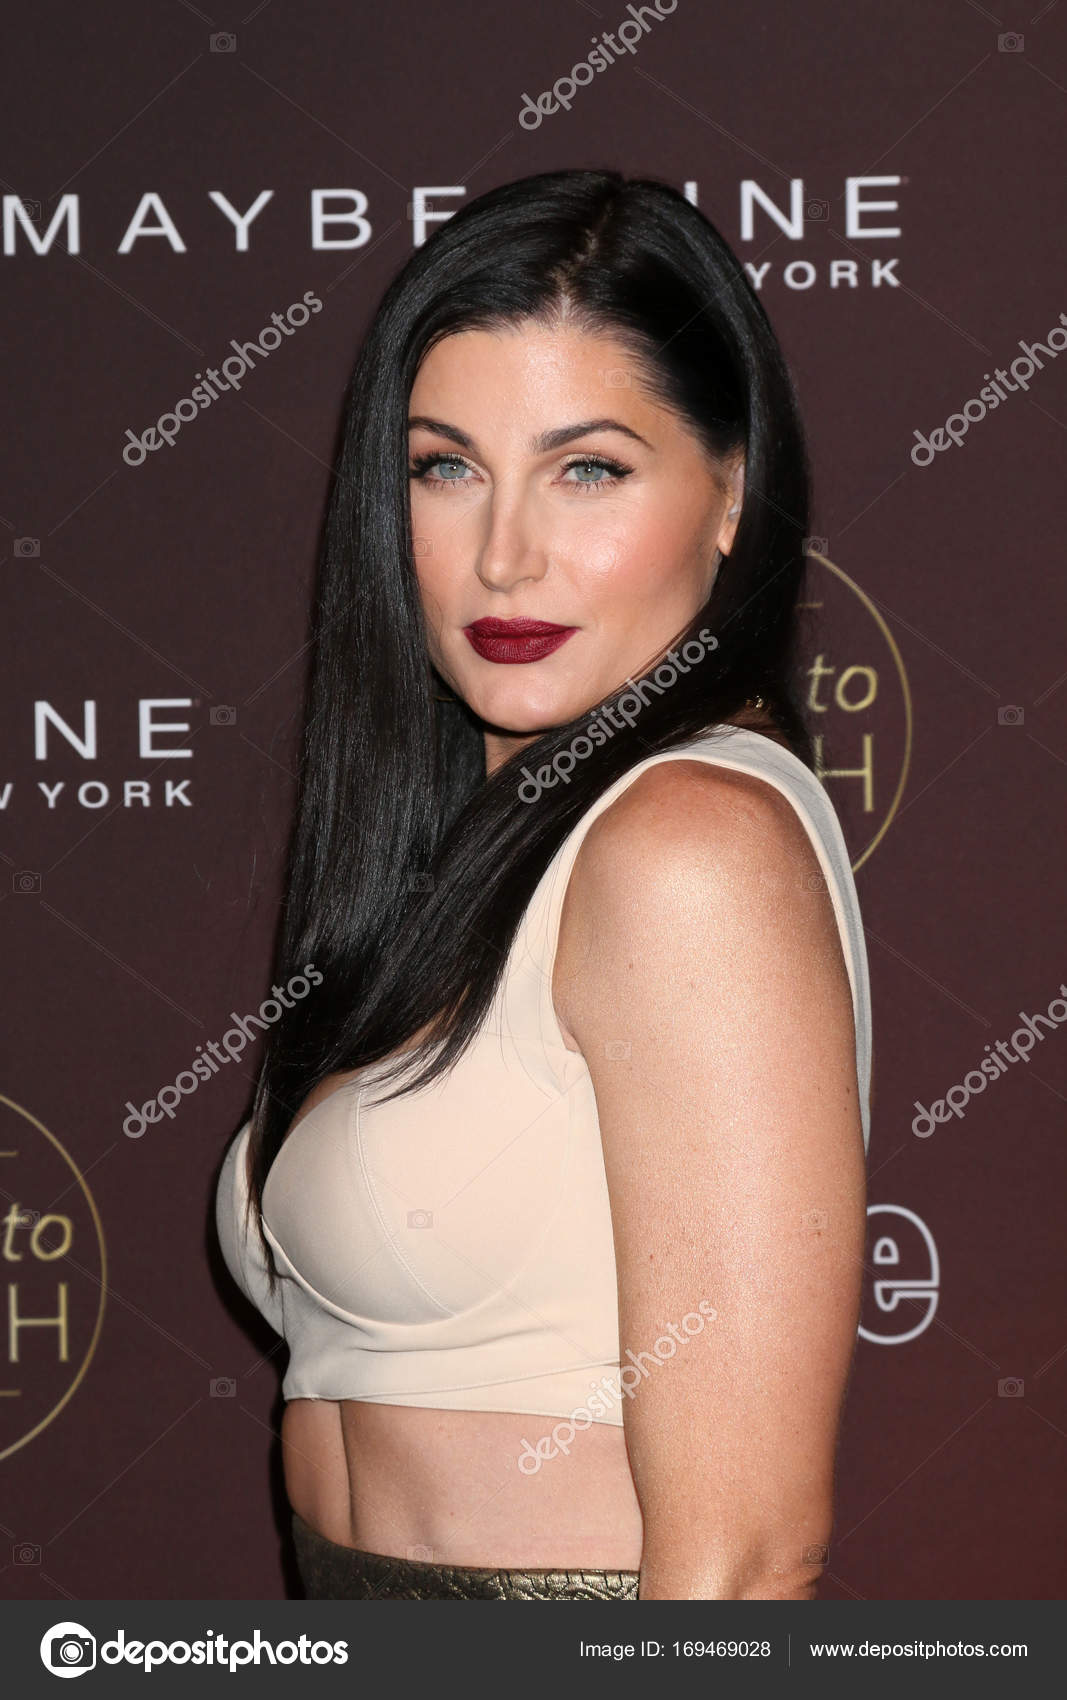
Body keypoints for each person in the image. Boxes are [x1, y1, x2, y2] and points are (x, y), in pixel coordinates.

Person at [215, 167, 871, 1601]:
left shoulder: (687, 845)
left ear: (730, 492)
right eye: (445, 468)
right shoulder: (484, 837)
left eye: (589, 470)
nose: (504, 557)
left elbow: (747, 1558)